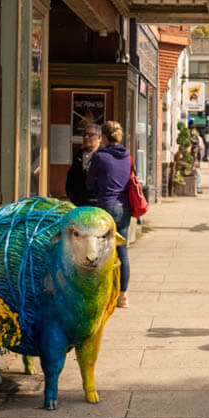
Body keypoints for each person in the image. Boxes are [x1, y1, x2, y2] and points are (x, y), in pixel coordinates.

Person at [86, 120, 132, 307]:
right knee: (123, 253)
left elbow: (89, 184)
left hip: (106, 207)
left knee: (100, 252)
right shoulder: (127, 157)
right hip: (124, 208)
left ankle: (103, 295)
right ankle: (123, 296)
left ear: (103, 137)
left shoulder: (100, 157)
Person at [65, 124, 101, 206]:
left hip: (96, 203)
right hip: (78, 202)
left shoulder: (103, 156)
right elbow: (71, 175)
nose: (86, 137)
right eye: (84, 134)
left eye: (90, 135)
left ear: (99, 138)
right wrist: (70, 193)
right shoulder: (78, 154)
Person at [190, 127, 205, 194]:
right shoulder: (197, 138)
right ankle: (196, 187)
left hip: (196, 157)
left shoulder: (198, 138)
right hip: (193, 157)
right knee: (197, 172)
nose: (193, 132)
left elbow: (202, 147)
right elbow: (202, 147)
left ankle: (197, 187)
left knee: (197, 172)